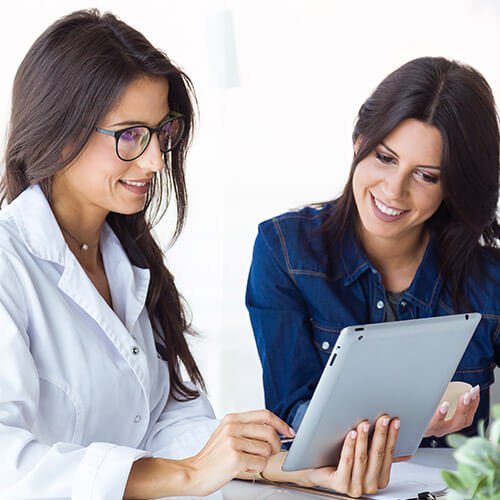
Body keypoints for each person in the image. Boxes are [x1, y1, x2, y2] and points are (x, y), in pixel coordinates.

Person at [0, 9, 402, 499]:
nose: (155, 160)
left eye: (161, 132)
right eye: (130, 135)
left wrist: (285, 466)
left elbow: (168, 420)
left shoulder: (129, 259)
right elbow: (9, 465)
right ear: (60, 131)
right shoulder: (9, 264)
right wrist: (189, 474)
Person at [247, 56, 499, 451]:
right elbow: (287, 415)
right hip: (327, 481)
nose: (394, 190)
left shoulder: (489, 281)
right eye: (385, 157)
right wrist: (398, 422)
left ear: (454, 186)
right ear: (358, 142)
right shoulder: (286, 252)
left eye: (426, 176)